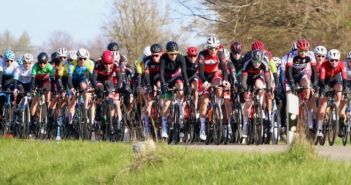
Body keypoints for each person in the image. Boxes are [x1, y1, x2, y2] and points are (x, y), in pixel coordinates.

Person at [197, 36, 230, 141]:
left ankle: (218, 107)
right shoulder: (202, 55)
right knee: (205, 101)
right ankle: (202, 127)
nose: (213, 50)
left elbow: (224, 69)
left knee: (219, 86)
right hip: (204, 76)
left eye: (215, 48)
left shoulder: (220, 54)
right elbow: (201, 72)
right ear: (207, 47)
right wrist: (205, 82)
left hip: (215, 74)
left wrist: (225, 80)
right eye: (211, 48)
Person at [160, 41, 190, 138]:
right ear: (167, 53)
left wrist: (187, 86)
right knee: (166, 105)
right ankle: (164, 128)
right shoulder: (163, 58)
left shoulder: (181, 58)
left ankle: (180, 107)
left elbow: (184, 73)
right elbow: (160, 74)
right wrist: (163, 85)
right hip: (167, 78)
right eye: (171, 54)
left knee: (180, 86)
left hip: (177, 77)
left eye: (175, 54)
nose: (173, 56)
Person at [241, 50, 272, 138]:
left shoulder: (264, 63)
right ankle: (245, 125)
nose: (256, 64)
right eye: (254, 61)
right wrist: (247, 90)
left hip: (259, 77)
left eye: (258, 61)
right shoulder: (247, 64)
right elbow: (243, 82)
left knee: (260, 86)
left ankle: (260, 106)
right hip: (248, 79)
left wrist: (269, 90)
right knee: (248, 102)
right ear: (252, 59)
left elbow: (268, 80)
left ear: (261, 59)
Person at [317, 49, 347, 137]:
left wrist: (344, 90)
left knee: (340, 89)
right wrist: (324, 88)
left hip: (336, 79)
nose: (334, 62)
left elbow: (344, 79)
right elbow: (321, 80)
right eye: (332, 60)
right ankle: (319, 129)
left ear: (339, 60)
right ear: (328, 60)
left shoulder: (342, 65)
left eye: (336, 60)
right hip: (325, 81)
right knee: (323, 105)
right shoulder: (323, 65)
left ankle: (334, 109)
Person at [143, 44, 162, 136]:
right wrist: (148, 85)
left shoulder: (163, 59)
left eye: (157, 55)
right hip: (149, 79)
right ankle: (146, 125)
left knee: (160, 86)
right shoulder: (147, 60)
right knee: (149, 103)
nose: (155, 57)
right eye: (153, 55)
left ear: (160, 54)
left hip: (159, 78)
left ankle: (161, 106)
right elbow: (146, 75)